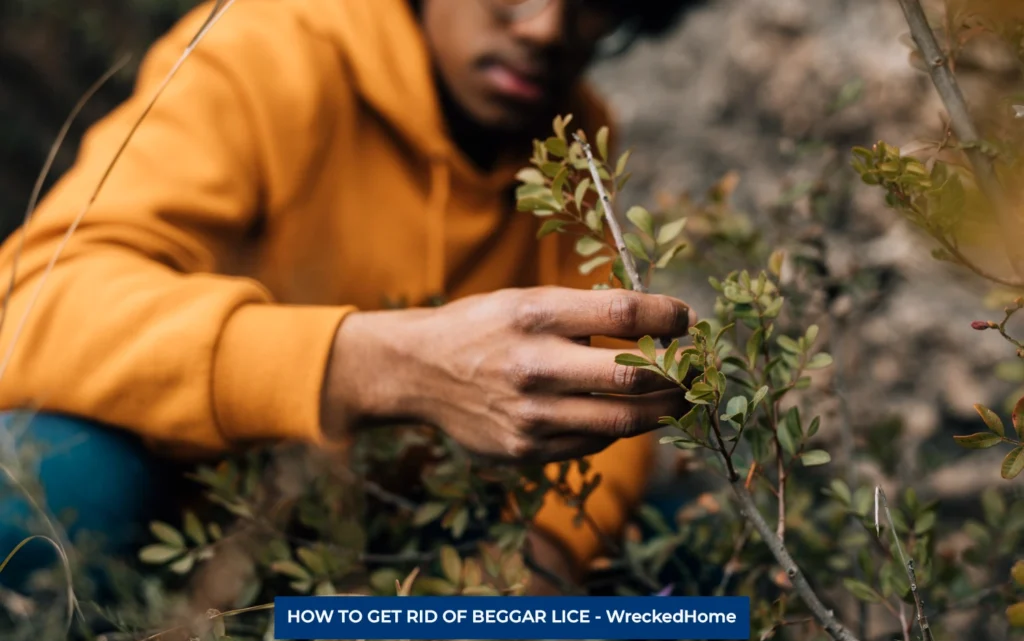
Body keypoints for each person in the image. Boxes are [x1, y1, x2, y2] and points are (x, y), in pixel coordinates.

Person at [0, 0, 703, 593]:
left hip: (385, 556)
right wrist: (375, 365)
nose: (547, 28)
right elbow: (35, 304)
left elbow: (608, 399)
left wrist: (530, 579)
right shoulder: (268, 47)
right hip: (179, 516)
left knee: (687, 555)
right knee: (43, 477)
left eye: (597, 1)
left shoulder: (572, 137)